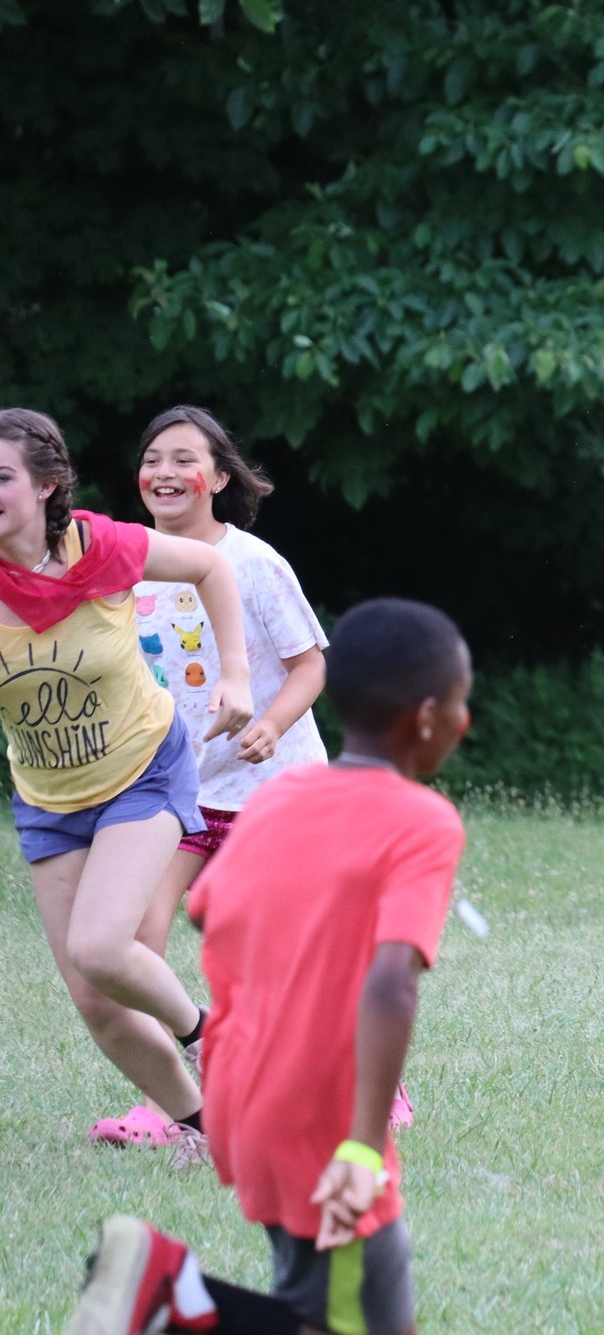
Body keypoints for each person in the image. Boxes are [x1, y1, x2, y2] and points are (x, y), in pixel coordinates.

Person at [65, 597, 473, 1335]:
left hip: (242, 1100)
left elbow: (208, 909)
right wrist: (360, 1140)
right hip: (325, 1119)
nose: (465, 720)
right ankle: (167, 1297)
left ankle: (174, 1300)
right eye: (460, 704)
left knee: (327, 1311)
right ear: (425, 718)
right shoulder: (422, 820)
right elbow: (391, 981)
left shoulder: (281, 798)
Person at [0, 407, 253, 1157]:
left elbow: (209, 566)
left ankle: (211, 1036)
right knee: (98, 1004)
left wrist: (235, 673)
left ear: (46, 485)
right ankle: (206, 1129)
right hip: (49, 799)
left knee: (103, 947)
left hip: (143, 768)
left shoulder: (99, 546)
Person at [90, 406, 331, 1151]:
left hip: (275, 793)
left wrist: (270, 723)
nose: (164, 472)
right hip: (178, 793)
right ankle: (167, 1102)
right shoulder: (124, 566)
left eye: (184, 458)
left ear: (219, 477)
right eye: (153, 457)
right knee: (136, 943)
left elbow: (310, 665)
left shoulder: (255, 563)